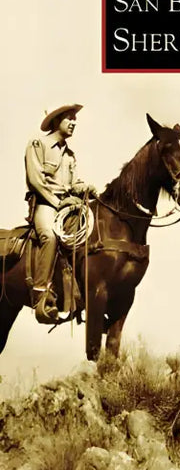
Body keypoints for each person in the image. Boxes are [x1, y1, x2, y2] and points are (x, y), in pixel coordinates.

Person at [24, 103, 97, 323]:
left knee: (88, 239)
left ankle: (78, 297)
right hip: (46, 204)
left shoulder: (70, 155)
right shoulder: (38, 144)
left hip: (66, 205)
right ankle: (40, 294)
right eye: (69, 118)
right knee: (50, 237)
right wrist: (57, 203)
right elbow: (36, 180)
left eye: (75, 119)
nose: (74, 122)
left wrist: (86, 188)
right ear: (56, 121)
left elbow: (73, 183)